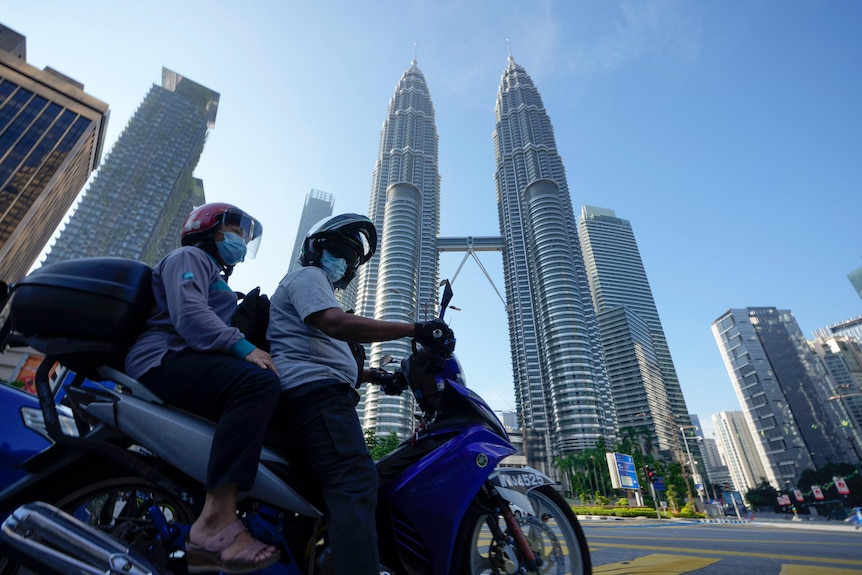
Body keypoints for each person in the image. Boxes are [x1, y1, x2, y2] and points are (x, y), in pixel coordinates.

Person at [266, 213, 453, 575]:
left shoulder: (316, 292)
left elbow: (325, 352)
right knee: (356, 480)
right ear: (315, 250)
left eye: (350, 258)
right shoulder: (308, 277)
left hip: (321, 393)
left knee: (329, 489)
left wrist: (378, 376)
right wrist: (416, 329)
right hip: (317, 396)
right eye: (337, 250)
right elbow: (337, 325)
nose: (343, 261)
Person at [125, 202, 282, 574]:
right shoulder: (190, 257)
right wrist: (245, 349)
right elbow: (190, 315)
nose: (241, 241)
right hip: (161, 358)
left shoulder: (215, 274)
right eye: (236, 231)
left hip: (183, 359)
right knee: (256, 384)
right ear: (209, 228)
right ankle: (216, 519)